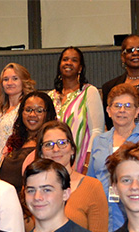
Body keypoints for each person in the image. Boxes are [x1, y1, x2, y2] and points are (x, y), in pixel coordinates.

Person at [88, 83, 139, 232]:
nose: (122, 110)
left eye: (128, 106)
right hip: (104, 219)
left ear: (136, 112)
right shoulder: (98, 141)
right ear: (108, 111)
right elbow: (91, 181)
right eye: (117, 105)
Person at [34, 120, 108, 232]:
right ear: (41, 153)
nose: (56, 149)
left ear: (72, 149)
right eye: (49, 144)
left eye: (62, 143)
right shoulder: (32, 189)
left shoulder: (92, 186)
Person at [50, 47, 104, 175]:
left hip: (80, 165)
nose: (68, 63)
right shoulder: (50, 96)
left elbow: (97, 131)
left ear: (80, 68)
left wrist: (87, 164)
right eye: (65, 59)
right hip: (54, 165)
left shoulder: (89, 92)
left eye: (74, 60)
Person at [0, 91, 56, 190]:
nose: (32, 114)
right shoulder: (13, 141)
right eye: (28, 110)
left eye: (39, 111)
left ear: (48, 114)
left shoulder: (51, 145)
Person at [0, 63, 36, 169]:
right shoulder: (3, 110)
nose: (9, 83)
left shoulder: (26, 109)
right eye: (6, 79)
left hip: (14, 165)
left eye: (15, 78)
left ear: (23, 81)